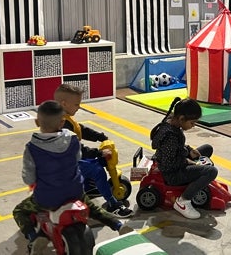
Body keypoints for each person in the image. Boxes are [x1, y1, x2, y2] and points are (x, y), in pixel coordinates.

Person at [13, 101, 132, 254]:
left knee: (19, 211)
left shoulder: (31, 148)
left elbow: (28, 178)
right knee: (94, 209)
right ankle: (118, 225)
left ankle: (34, 236)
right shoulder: (72, 139)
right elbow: (77, 159)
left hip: (47, 198)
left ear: (37, 122)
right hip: (74, 191)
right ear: (62, 122)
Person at [54, 84, 134, 218]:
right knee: (97, 169)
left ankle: (88, 187)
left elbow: (80, 129)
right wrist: (98, 152)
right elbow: (77, 149)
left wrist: (99, 136)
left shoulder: (66, 117)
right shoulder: (61, 123)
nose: (79, 107)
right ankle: (112, 204)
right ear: (64, 103)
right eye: (76, 104)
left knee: (94, 162)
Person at [150, 97, 217, 219]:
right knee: (212, 171)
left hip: (177, 160)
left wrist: (190, 151)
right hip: (172, 174)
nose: (193, 126)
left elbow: (178, 147)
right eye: (192, 123)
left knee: (207, 148)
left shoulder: (172, 122)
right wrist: (188, 162)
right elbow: (169, 164)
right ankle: (183, 202)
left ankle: (198, 176)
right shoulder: (170, 137)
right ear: (181, 119)